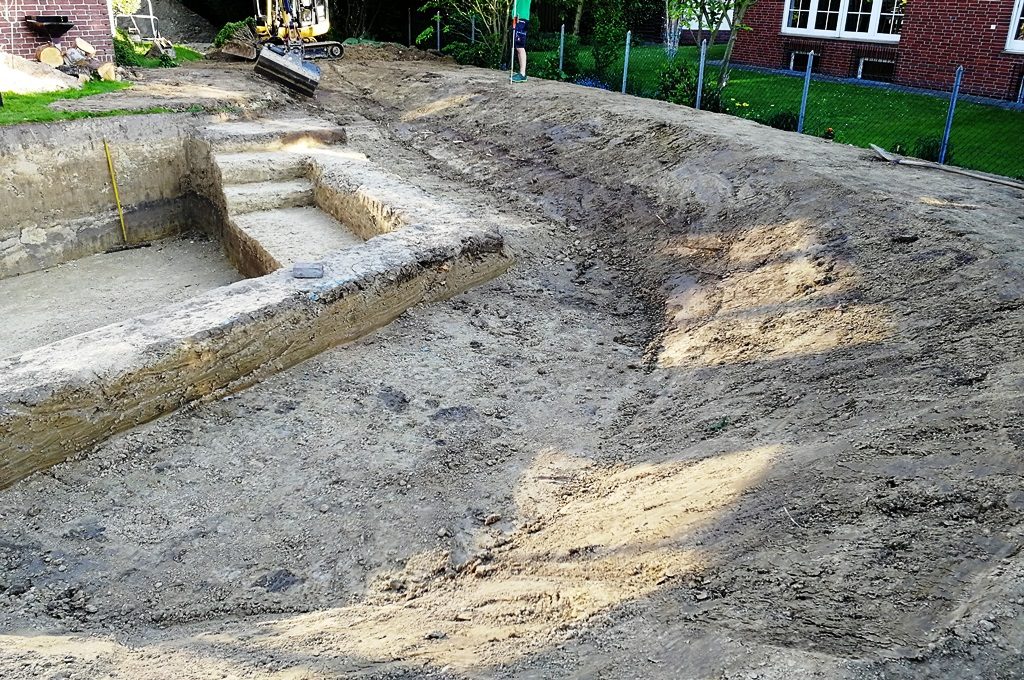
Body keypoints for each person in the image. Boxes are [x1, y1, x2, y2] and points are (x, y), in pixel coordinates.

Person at [511, 0, 531, 83]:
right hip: (517, 19)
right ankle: (521, 73)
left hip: (521, 19)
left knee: (520, 47)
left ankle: (522, 74)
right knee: (517, 47)